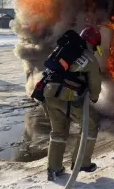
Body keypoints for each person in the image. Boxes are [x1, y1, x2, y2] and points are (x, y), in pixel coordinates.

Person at [42, 27, 103, 181]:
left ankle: (54, 169)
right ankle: (82, 162)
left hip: (48, 94)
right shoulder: (89, 57)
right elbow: (95, 83)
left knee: (58, 132)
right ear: (94, 43)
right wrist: (94, 98)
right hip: (66, 96)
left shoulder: (64, 49)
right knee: (92, 123)